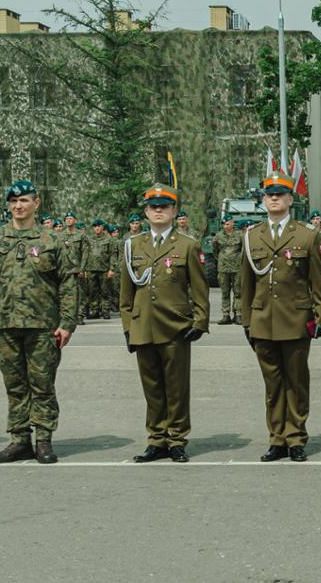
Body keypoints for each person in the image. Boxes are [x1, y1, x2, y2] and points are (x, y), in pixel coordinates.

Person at [0, 180, 78, 464]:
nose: (18, 206)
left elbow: (68, 283)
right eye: (13, 202)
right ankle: (19, 440)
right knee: (15, 385)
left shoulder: (51, 241)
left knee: (43, 383)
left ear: (36, 203)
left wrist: (67, 323)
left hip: (43, 325)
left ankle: (44, 439)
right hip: (5, 325)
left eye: (24, 201)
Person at [239, 172, 321, 462]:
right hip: (263, 319)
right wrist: (246, 320)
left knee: (297, 380)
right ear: (263, 200)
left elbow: (318, 281)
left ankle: (296, 437)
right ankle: (277, 438)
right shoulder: (252, 236)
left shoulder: (306, 234)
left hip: (296, 318)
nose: (274, 198)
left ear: (291, 199)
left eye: (280, 194)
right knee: (273, 383)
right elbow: (246, 284)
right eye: (269, 195)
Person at [120, 184, 210, 462]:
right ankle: (156, 439)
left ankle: (177, 439)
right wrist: (128, 328)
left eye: (164, 207)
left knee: (176, 387)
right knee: (152, 388)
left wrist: (200, 320)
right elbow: (126, 294)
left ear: (174, 211)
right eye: (153, 207)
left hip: (176, 327)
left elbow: (199, 288)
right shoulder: (132, 245)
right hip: (143, 326)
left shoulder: (187, 245)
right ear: (146, 212)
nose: (159, 211)